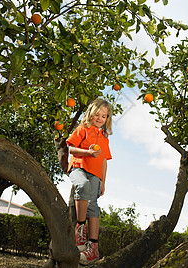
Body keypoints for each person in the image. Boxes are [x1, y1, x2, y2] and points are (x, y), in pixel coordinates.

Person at [66, 98, 112, 265]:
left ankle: (93, 248)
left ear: (107, 119)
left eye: (104, 116)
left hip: (95, 173)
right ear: (90, 114)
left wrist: (103, 182)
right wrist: (87, 152)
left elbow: (104, 161)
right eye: (97, 115)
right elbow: (69, 148)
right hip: (78, 167)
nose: (100, 118)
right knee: (82, 186)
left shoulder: (105, 138)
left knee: (93, 204)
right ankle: (80, 228)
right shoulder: (83, 129)